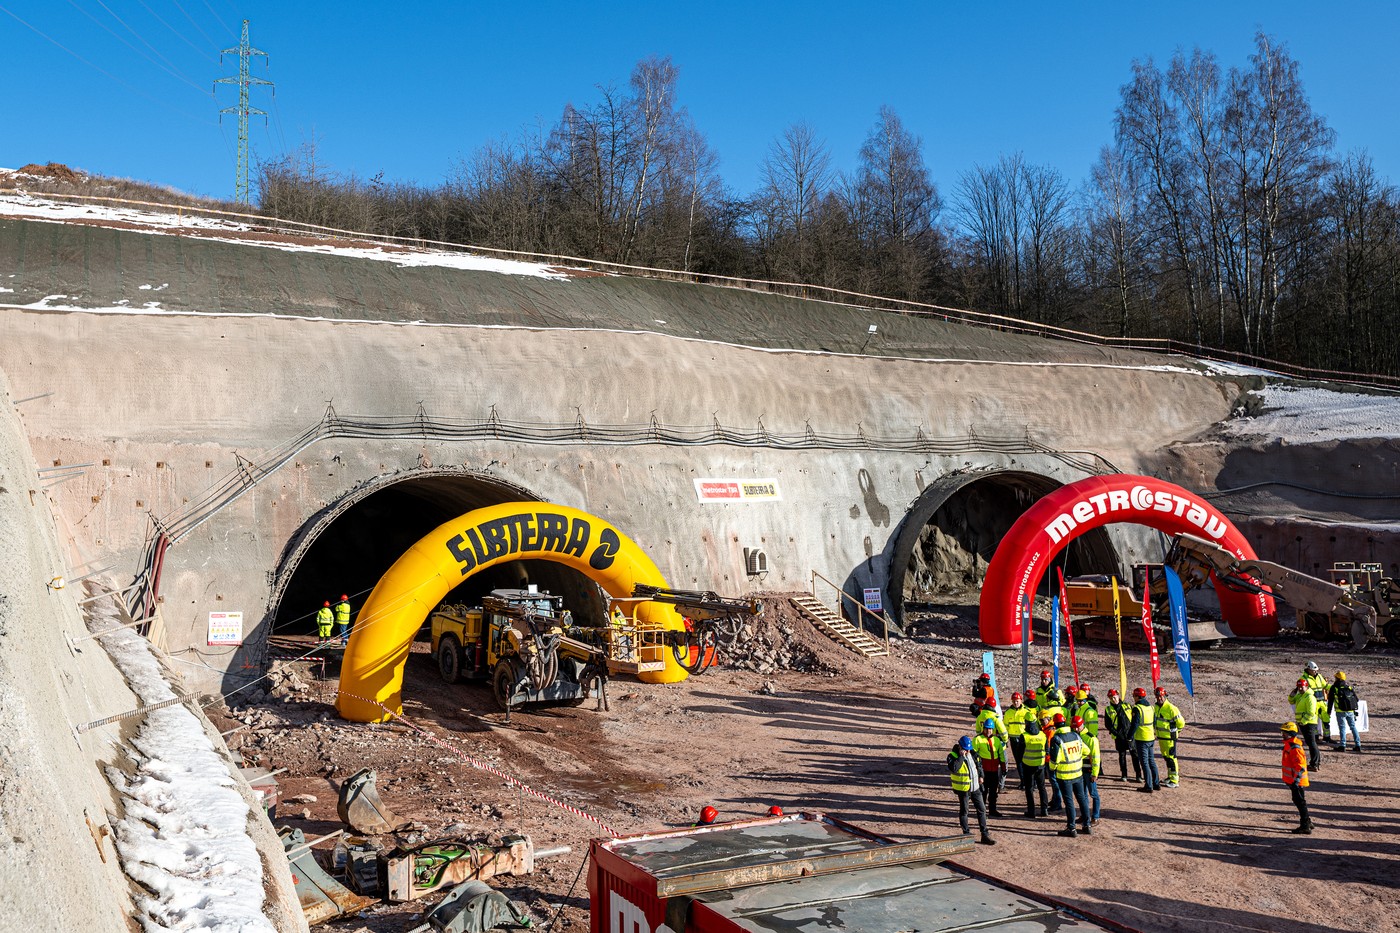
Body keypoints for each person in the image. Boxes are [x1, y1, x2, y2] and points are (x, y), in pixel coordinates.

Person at [948, 736, 995, 845]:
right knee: (964, 811)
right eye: (965, 748)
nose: (968, 751)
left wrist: (981, 776)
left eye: (968, 749)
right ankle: (966, 835)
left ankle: (984, 834)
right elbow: (954, 768)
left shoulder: (972, 753)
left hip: (975, 787)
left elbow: (979, 766)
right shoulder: (952, 756)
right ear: (960, 746)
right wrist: (961, 756)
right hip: (964, 789)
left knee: (982, 810)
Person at [1050, 713, 1090, 837]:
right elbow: (1087, 751)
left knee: (1069, 802)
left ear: (1055, 725)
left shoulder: (1057, 739)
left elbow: (1054, 760)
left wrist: (1052, 768)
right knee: (1082, 798)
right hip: (1078, 774)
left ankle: (1071, 828)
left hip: (1065, 776)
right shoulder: (1076, 736)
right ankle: (1087, 825)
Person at [1280, 722, 1313, 834]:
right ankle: (1307, 822)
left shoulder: (1294, 748)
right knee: (1299, 801)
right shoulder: (1290, 745)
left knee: (1300, 802)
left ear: (1290, 733)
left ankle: (1305, 825)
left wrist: (1296, 781)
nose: (1282, 734)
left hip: (1296, 781)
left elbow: (1300, 766)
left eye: (1284, 732)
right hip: (1294, 780)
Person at [1104, 688, 1141, 782]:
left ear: (1118, 696)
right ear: (1109, 698)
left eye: (1115, 697)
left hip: (1130, 734)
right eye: (1111, 698)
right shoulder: (1108, 709)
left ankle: (1138, 775)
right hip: (1119, 736)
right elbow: (1108, 724)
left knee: (1135, 755)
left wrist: (1132, 732)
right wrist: (1116, 733)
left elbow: (1134, 720)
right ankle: (1124, 775)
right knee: (1122, 755)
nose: (1114, 699)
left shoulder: (1127, 706)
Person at [973, 719, 1007, 818]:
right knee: (983, 792)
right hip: (983, 771)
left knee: (993, 792)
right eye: (987, 729)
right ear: (983, 729)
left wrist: (1004, 768)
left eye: (990, 729)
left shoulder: (996, 740)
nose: (989, 731)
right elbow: (974, 755)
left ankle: (992, 810)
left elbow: (1001, 754)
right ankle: (982, 811)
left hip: (994, 770)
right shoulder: (977, 739)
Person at [1154, 686, 1186, 787]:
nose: (1159, 698)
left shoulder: (1172, 708)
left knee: (1172, 758)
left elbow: (1181, 723)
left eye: (1161, 696)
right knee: (1166, 757)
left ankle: (1174, 780)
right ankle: (1170, 777)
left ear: (1165, 696)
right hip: (1161, 738)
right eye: (1157, 696)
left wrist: (1175, 732)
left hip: (1170, 739)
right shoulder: (1156, 707)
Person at [1019, 713, 1050, 818]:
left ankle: (1031, 811)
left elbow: (1020, 752)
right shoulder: (1042, 735)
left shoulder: (1024, 736)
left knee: (1029, 788)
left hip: (1028, 765)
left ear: (1026, 723)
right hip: (1040, 765)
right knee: (1042, 787)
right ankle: (1044, 810)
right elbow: (1047, 750)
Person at [1130, 687, 1161, 792]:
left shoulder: (1137, 708)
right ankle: (1156, 783)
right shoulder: (1151, 707)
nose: (1133, 698)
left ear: (1138, 696)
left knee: (1145, 763)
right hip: (1151, 737)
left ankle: (1148, 786)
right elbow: (1154, 721)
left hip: (1142, 738)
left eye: (1134, 696)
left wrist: (1129, 737)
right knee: (1151, 761)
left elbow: (1135, 724)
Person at [1289, 677, 1322, 772]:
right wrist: (1293, 692)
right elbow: (1291, 700)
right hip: (1304, 723)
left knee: (1311, 743)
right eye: (1298, 687)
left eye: (1301, 687)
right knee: (1311, 743)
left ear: (1306, 686)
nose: (1299, 689)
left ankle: (1314, 764)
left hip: (1308, 723)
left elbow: (1311, 712)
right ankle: (1315, 763)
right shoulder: (1301, 696)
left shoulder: (1310, 697)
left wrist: (1303, 722)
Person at [1077, 715, 1102, 826]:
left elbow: (1096, 757)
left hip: (1089, 771)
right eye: (1074, 727)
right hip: (1079, 770)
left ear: (1082, 725)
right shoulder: (1075, 736)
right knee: (1082, 795)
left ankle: (1095, 817)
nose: (1076, 729)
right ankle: (1085, 815)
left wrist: (1094, 773)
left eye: (1077, 727)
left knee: (1093, 794)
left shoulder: (1091, 738)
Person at [1330, 671, 1362, 752]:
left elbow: (1330, 701)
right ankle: (1358, 745)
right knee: (1353, 727)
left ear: (1337, 678)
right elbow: (1356, 699)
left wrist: (1328, 712)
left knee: (1342, 728)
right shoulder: (1349, 687)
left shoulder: (1334, 688)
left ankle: (1342, 745)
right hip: (1350, 711)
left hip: (1340, 711)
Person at [1004, 692, 1031, 788]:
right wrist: (1005, 739)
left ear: (1021, 700)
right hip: (1014, 740)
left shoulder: (1026, 712)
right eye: (1014, 701)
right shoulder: (1008, 713)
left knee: (1027, 761)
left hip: (1024, 739)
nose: (1016, 703)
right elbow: (1005, 727)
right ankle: (1023, 781)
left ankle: (1030, 782)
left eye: (1017, 701)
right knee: (1019, 761)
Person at [1303, 661, 1330, 743]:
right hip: (1313, 703)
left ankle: (1327, 737)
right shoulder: (1304, 679)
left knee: (1326, 720)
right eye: (1314, 670)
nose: (1315, 672)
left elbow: (1325, 686)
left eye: (1316, 670)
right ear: (1308, 669)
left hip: (1322, 702)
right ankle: (1315, 738)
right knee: (1314, 722)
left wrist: (1335, 687)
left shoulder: (1319, 677)